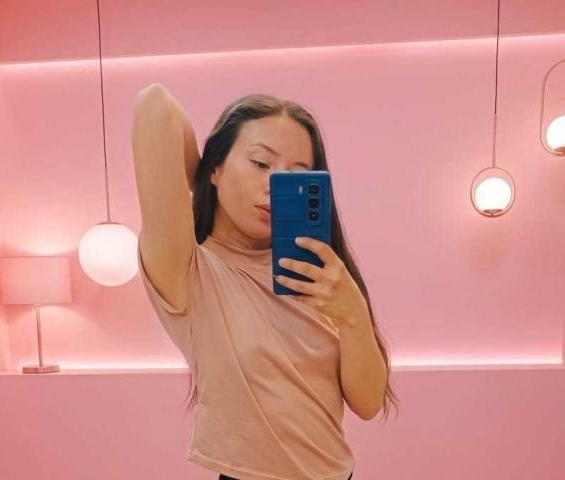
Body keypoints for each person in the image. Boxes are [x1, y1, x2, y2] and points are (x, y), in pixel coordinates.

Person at [132, 83, 398, 480]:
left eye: (295, 176)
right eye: (260, 163)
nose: (275, 185)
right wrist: (204, 177)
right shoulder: (189, 269)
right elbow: (155, 106)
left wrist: (353, 315)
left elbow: (368, 403)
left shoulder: (318, 274)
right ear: (216, 167)